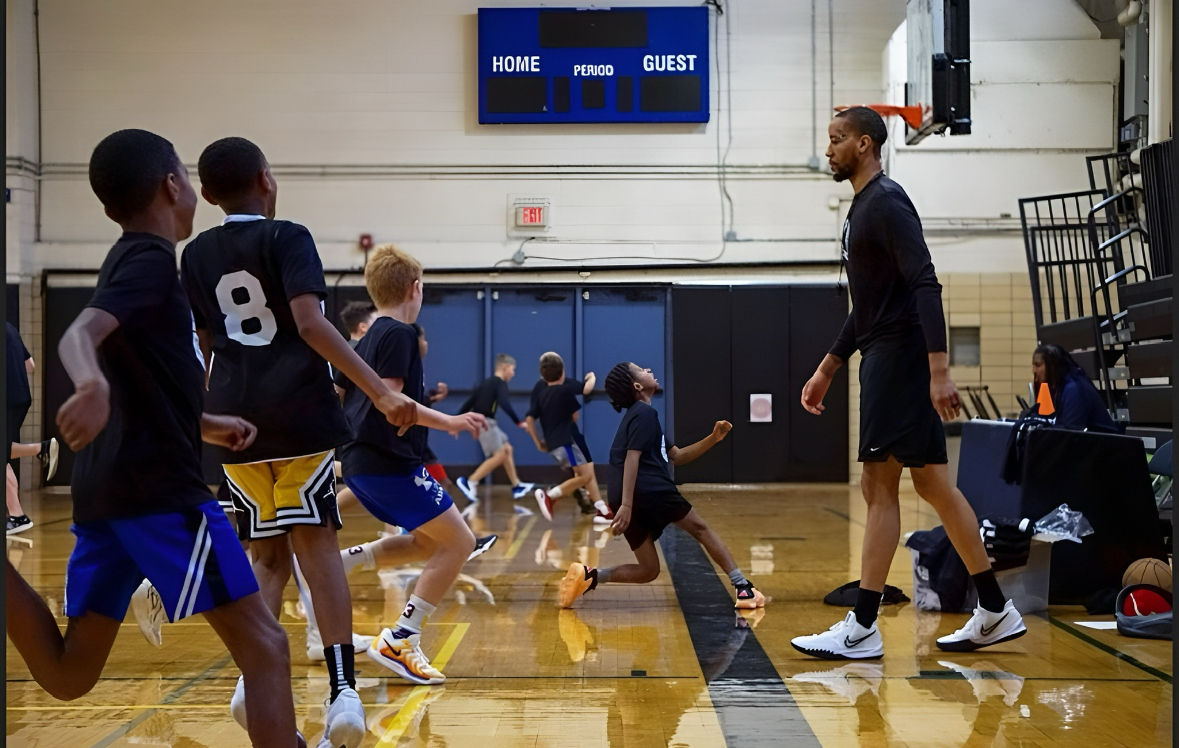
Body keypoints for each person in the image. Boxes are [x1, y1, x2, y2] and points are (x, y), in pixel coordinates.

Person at [5, 129, 303, 748]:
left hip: (107, 490)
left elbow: (145, 378)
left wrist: (203, 423)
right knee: (265, 645)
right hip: (159, 494)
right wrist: (90, 387)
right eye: (186, 180)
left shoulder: (126, 258)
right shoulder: (146, 258)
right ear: (172, 185)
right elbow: (78, 338)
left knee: (68, 675)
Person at [178, 136, 420, 746]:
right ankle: (342, 691)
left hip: (235, 421)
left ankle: (251, 677)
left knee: (264, 554)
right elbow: (310, 324)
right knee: (317, 548)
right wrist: (380, 392)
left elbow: (205, 346)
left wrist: (203, 417)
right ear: (267, 179)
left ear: (205, 194)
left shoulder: (195, 254)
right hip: (298, 418)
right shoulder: (287, 236)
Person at [792, 108, 1025, 659]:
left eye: (837, 139)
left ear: (865, 144)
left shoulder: (887, 202)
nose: (829, 149)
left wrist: (938, 369)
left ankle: (864, 625)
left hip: (899, 360)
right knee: (934, 487)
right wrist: (830, 365)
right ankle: (994, 607)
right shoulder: (863, 208)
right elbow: (869, 304)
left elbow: (925, 283)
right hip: (889, 354)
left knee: (879, 485)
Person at [329, 243, 488, 685]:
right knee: (459, 542)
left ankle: (339, 565)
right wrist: (450, 421)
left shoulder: (361, 339)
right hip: (389, 463)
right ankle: (401, 638)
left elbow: (338, 399)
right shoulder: (400, 333)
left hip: (361, 462)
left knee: (425, 543)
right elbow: (394, 403)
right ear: (414, 289)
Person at [558, 361, 765, 610]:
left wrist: (713, 438)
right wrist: (626, 505)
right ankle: (743, 588)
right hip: (649, 490)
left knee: (648, 570)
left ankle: (591, 576)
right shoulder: (645, 414)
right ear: (637, 385)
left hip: (628, 495)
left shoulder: (640, 417)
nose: (648, 370)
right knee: (701, 529)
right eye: (641, 370)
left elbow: (677, 456)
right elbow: (631, 458)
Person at [526, 352, 608, 522]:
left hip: (555, 442)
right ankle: (550, 496)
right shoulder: (565, 390)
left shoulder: (541, 394)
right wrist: (592, 377)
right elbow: (575, 416)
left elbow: (530, 420)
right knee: (585, 476)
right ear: (562, 371)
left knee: (587, 471)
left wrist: (537, 442)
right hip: (569, 439)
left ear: (542, 374)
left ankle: (601, 509)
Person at [453, 353, 535, 502]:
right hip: (485, 422)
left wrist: (455, 422)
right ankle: (470, 481)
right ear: (504, 368)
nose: (513, 373)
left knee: (507, 449)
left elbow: (469, 402)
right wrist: (518, 421)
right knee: (500, 455)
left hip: (486, 421)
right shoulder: (500, 384)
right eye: (512, 369)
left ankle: (517, 485)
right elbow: (504, 403)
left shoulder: (485, 383)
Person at [6, 322, 60, 534]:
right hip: (20, 396)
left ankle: (18, 516)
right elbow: (30, 365)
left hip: (8, 398)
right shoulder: (9, 328)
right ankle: (14, 515)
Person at [1031, 344, 1122, 432]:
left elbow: (1069, 434)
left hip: (1106, 445)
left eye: (1038, 365)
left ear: (1053, 366)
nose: (1033, 371)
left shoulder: (1074, 389)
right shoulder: (1063, 386)